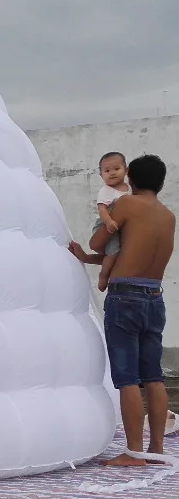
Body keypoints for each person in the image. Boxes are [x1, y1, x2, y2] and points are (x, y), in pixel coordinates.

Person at [69, 154, 175, 466]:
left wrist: (91, 246)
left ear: (132, 178)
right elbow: (131, 251)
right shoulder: (168, 216)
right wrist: (87, 260)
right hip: (154, 295)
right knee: (154, 377)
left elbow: (100, 242)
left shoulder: (126, 204)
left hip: (125, 296)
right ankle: (156, 450)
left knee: (127, 378)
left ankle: (133, 453)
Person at [92, 151, 129, 292]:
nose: (112, 173)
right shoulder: (106, 190)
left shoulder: (129, 189)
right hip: (104, 225)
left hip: (119, 227)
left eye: (116, 169)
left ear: (126, 170)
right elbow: (102, 210)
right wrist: (108, 222)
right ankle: (103, 275)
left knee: (120, 253)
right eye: (107, 171)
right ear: (101, 175)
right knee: (114, 252)